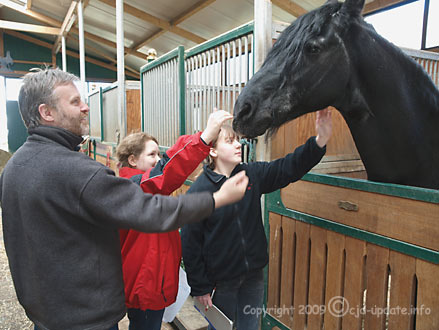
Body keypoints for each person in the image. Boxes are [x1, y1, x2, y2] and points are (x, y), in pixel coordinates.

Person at [0, 68, 248, 330]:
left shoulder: (14, 168)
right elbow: (151, 205)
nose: (85, 107)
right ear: (46, 112)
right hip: (86, 318)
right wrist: (217, 199)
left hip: (46, 313)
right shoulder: (76, 171)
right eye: (75, 102)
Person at [181, 109, 332, 330]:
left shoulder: (251, 174)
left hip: (253, 276)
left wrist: (320, 141)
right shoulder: (199, 191)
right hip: (221, 283)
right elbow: (190, 242)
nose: (237, 145)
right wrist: (200, 287)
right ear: (212, 151)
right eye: (230, 141)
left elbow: (288, 167)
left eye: (238, 141)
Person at [115, 110, 233, 330]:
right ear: (132, 159)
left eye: (158, 155)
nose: (158, 160)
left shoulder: (134, 188)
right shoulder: (137, 188)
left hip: (150, 284)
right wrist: (204, 138)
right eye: (151, 155)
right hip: (146, 287)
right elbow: (167, 172)